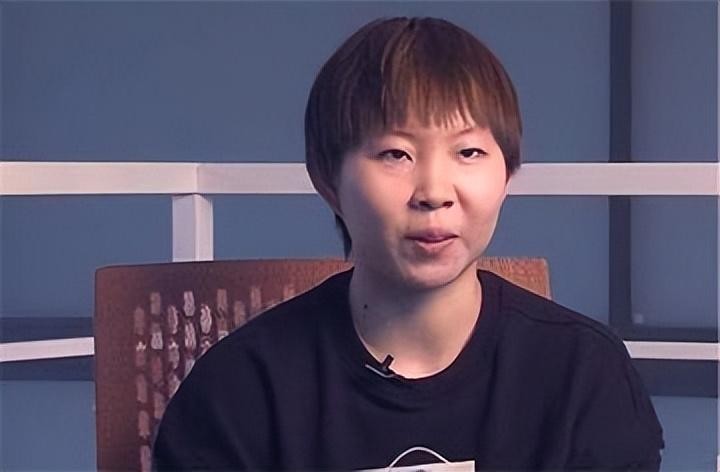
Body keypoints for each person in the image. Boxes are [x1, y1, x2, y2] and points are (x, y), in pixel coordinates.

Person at [153, 17, 665, 471]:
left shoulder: (583, 374)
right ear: (327, 180)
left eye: (468, 151)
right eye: (395, 154)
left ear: (508, 173)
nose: (434, 193)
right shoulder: (240, 390)